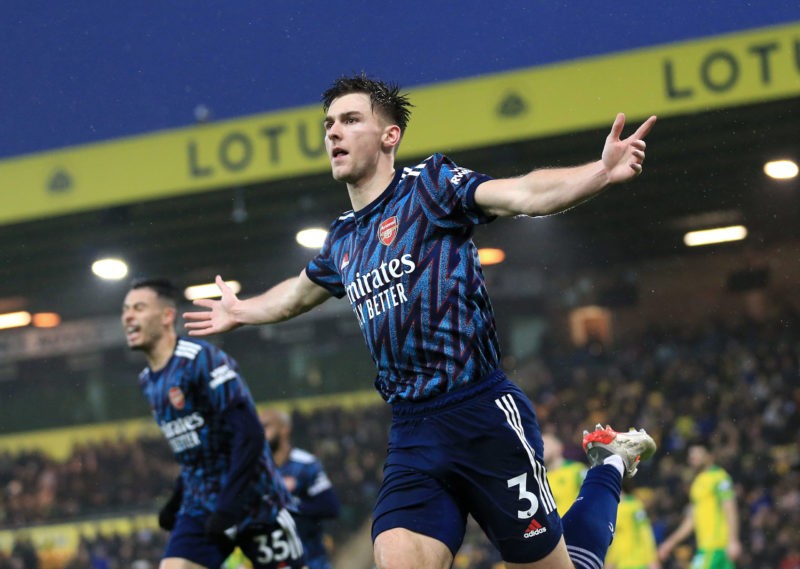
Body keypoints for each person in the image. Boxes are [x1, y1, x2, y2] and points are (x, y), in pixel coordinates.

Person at [184, 74, 658, 569]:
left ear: (390, 136)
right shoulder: (343, 239)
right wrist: (241, 310)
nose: (333, 133)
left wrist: (597, 173)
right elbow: (296, 294)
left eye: (350, 121)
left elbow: (522, 193)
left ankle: (608, 465)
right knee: (397, 556)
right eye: (328, 124)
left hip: (481, 414)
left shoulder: (431, 188)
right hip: (412, 431)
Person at [122, 278, 305, 569]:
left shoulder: (201, 360)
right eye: (126, 309)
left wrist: (230, 503)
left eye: (139, 307)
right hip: (201, 506)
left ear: (167, 316)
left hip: (255, 501)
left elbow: (249, 435)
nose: (128, 316)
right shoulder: (148, 381)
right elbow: (196, 448)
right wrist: (177, 499)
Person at [260, 408, 341, 569]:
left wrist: (288, 508)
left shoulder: (305, 464)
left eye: (266, 426)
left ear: (285, 428)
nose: (260, 432)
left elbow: (330, 507)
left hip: (311, 559)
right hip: (271, 561)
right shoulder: (254, 469)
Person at [657, 439, 741, 569]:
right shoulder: (697, 483)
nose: (693, 458)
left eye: (697, 454)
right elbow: (692, 520)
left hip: (716, 546)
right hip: (709, 547)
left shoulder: (719, 477)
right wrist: (670, 543)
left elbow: (730, 508)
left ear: (709, 456)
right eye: (691, 455)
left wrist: (733, 540)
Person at [604, 479, 660, 569]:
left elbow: (645, 534)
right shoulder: (608, 508)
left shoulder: (634, 505)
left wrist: (653, 561)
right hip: (618, 565)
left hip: (636, 564)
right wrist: (609, 562)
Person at [542, 432, 588, 516]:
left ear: (558, 447)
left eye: (545, 444)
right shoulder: (539, 477)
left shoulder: (577, 469)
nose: (540, 447)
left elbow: (595, 494)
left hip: (574, 526)